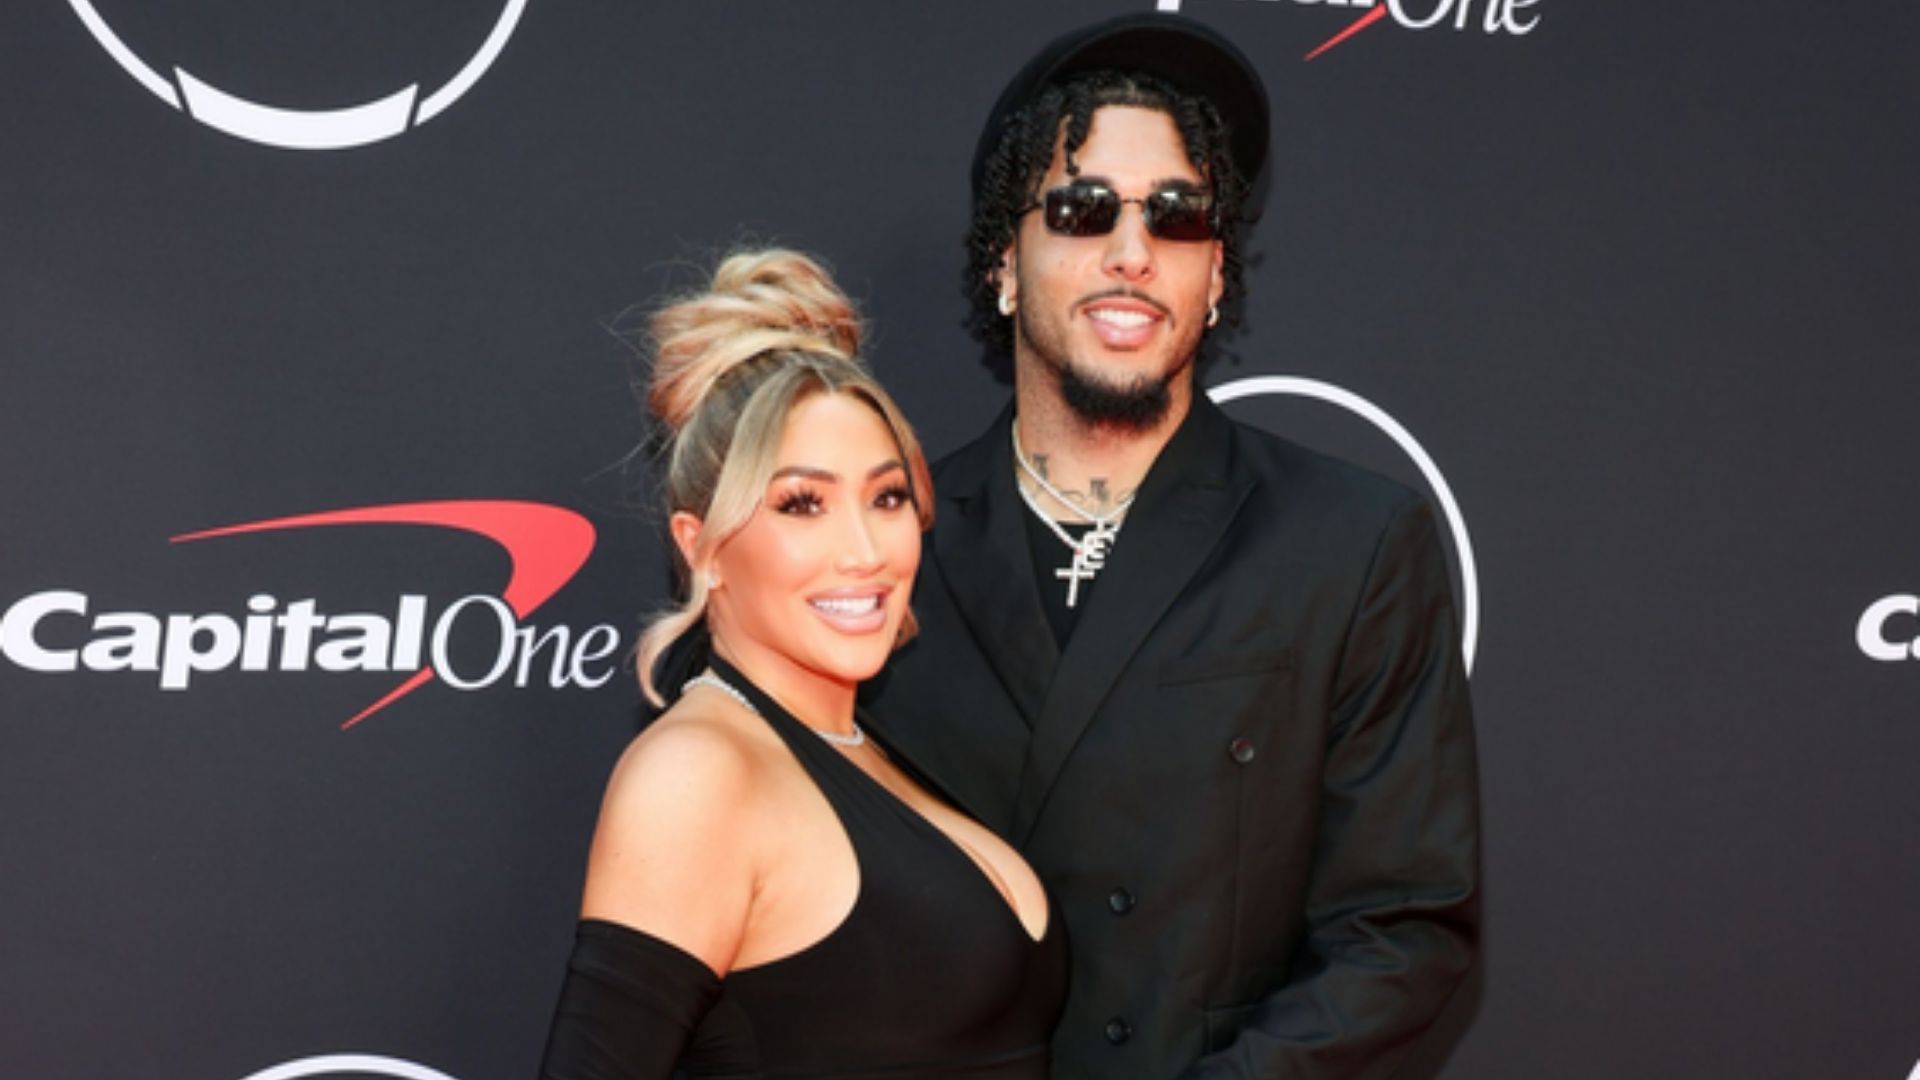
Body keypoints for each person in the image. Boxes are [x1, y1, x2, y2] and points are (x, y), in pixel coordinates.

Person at [862, 14, 1481, 1079]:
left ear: (1218, 273)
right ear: (1005, 264)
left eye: (1179, 215)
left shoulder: (1353, 543)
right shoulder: (879, 540)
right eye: (1081, 206)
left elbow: (1403, 933)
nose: (1134, 250)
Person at [539, 249, 1066, 1078]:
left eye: (886, 497)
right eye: (801, 504)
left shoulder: (869, 749)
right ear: (701, 548)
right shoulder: (697, 775)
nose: (863, 551)